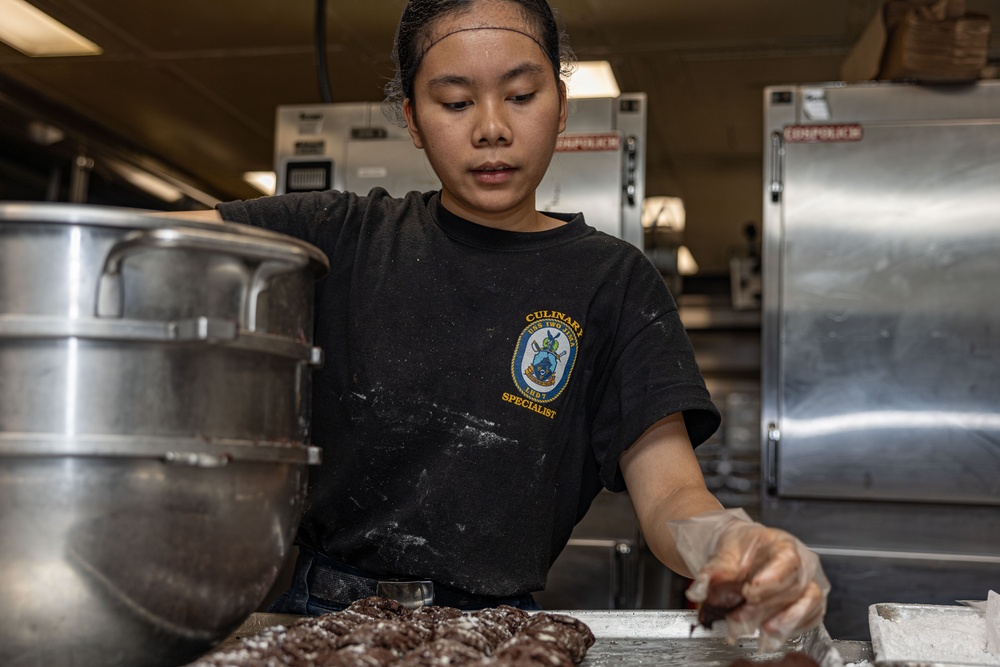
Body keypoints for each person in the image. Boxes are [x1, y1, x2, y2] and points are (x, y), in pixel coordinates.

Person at [177, 0, 828, 650]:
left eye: (520, 94)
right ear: (412, 119)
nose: (492, 128)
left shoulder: (614, 282)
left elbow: (671, 494)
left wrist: (729, 542)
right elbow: (147, 242)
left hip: (501, 635)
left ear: (561, 103)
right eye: (456, 103)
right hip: (322, 618)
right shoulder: (338, 237)